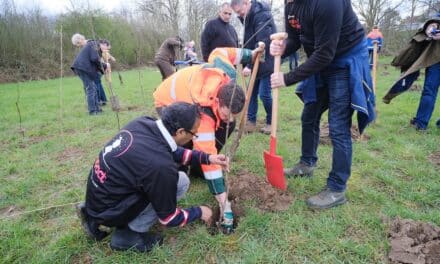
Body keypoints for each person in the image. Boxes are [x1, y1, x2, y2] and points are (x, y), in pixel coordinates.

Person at [76, 102, 231, 252]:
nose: (194, 138)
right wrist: (200, 212)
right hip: (109, 209)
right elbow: (169, 218)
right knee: (180, 182)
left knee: (174, 179)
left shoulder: (144, 123)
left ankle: (92, 215)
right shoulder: (160, 167)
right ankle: (129, 234)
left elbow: (174, 150)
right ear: (180, 132)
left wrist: (208, 158)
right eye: (194, 134)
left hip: (98, 197)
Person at [270, 0, 375, 209]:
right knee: (309, 116)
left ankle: (337, 188)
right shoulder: (290, 4)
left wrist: (288, 78)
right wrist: (283, 47)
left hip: (344, 59)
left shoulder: (327, 3)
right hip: (321, 60)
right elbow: (296, 38)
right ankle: (307, 163)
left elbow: (325, 53)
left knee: (338, 127)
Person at [154, 47, 261, 216]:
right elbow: (207, 151)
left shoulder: (228, 75)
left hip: (195, 95)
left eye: (234, 115)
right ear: (218, 101)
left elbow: (221, 52)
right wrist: (223, 202)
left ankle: (196, 168)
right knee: (185, 136)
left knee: (227, 126)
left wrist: (250, 54)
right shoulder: (203, 113)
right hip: (168, 100)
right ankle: (180, 167)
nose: (230, 118)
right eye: (226, 114)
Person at [383, 16, 440, 131]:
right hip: (436, 57)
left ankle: (420, 123)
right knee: (429, 90)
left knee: (429, 91)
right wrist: (432, 25)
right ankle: (420, 123)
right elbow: (435, 19)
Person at [231, 0, 276, 135]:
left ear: (246, 2)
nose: (240, 14)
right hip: (256, 61)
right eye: (237, 13)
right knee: (250, 94)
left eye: (240, 11)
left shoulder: (261, 14)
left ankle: (270, 122)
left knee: (264, 94)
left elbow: (263, 42)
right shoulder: (247, 17)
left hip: (267, 61)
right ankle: (251, 122)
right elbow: (249, 42)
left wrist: (249, 66)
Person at [71, 33, 114, 106]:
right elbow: (94, 59)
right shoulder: (91, 44)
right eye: (77, 45)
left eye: (78, 43)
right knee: (92, 87)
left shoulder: (90, 43)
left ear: (81, 39)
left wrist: (105, 66)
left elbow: (96, 58)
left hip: (95, 67)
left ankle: (99, 102)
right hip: (90, 68)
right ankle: (96, 105)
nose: (78, 45)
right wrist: (104, 66)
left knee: (95, 85)